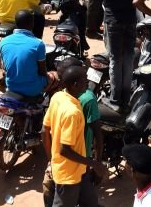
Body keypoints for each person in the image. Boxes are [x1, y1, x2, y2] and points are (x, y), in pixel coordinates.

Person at [42, 65, 108, 207]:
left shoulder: (58, 97)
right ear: (76, 85)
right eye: (85, 80)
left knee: (91, 202)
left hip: (80, 169)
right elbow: (64, 150)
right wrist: (95, 164)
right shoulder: (72, 112)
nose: (87, 83)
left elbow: (44, 130)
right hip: (68, 175)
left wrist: (52, 160)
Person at [97, 0, 145, 111]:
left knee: (115, 59)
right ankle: (125, 96)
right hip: (130, 18)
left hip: (113, 19)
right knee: (128, 56)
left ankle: (115, 99)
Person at [0, 9, 52, 98]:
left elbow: (4, 67)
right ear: (32, 24)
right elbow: (42, 71)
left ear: (16, 23)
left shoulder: (3, 41)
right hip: (33, 89)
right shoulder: (38, 44)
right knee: (54, 76)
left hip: (11, 86)